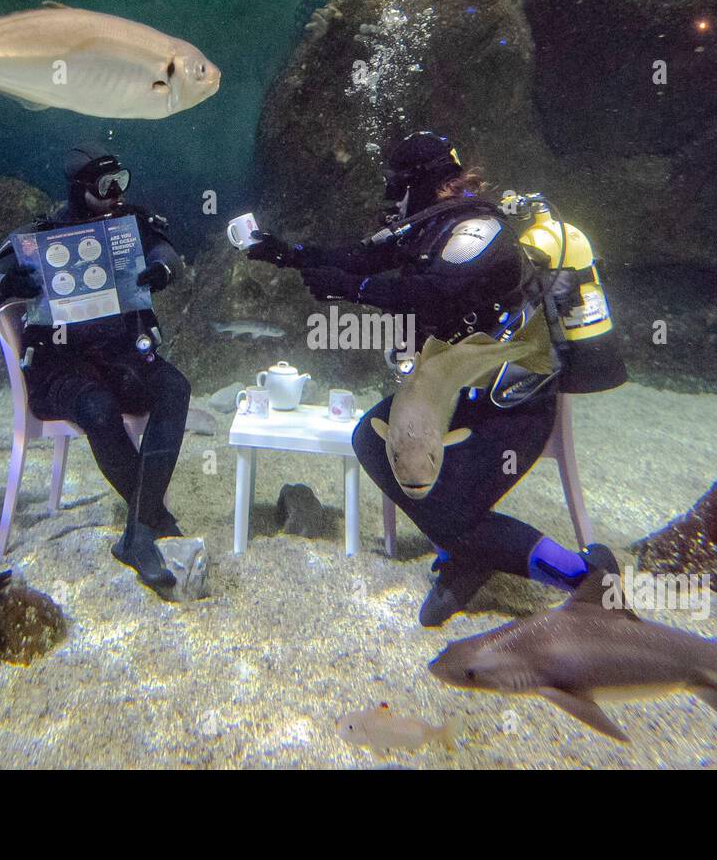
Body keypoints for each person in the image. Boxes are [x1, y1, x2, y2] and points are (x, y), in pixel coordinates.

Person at [248, 131, 625, 625]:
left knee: (451, 511)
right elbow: (363, 256)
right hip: (455, 395)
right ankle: (471, 553)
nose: (391, 196)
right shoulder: (427, 227)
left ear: (422, 181)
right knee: (370, 438)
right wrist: (291, 253)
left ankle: (585, 577)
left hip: (512, 405)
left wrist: (351, 290)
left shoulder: (477, 230)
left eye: (396, 183)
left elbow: (435, 293)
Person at [0, 142, 190, 592]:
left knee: (174, 387)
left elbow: (170, 256)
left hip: (121, 355)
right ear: (78, 189)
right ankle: (151, 521)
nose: (115, 196)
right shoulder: (38, 237)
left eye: (120, 183)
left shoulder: (131, 225)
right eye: (104, 188)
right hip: (60, 368)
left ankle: (138, 531)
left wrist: (160, 271)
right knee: (98, 408)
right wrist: (9, 282)